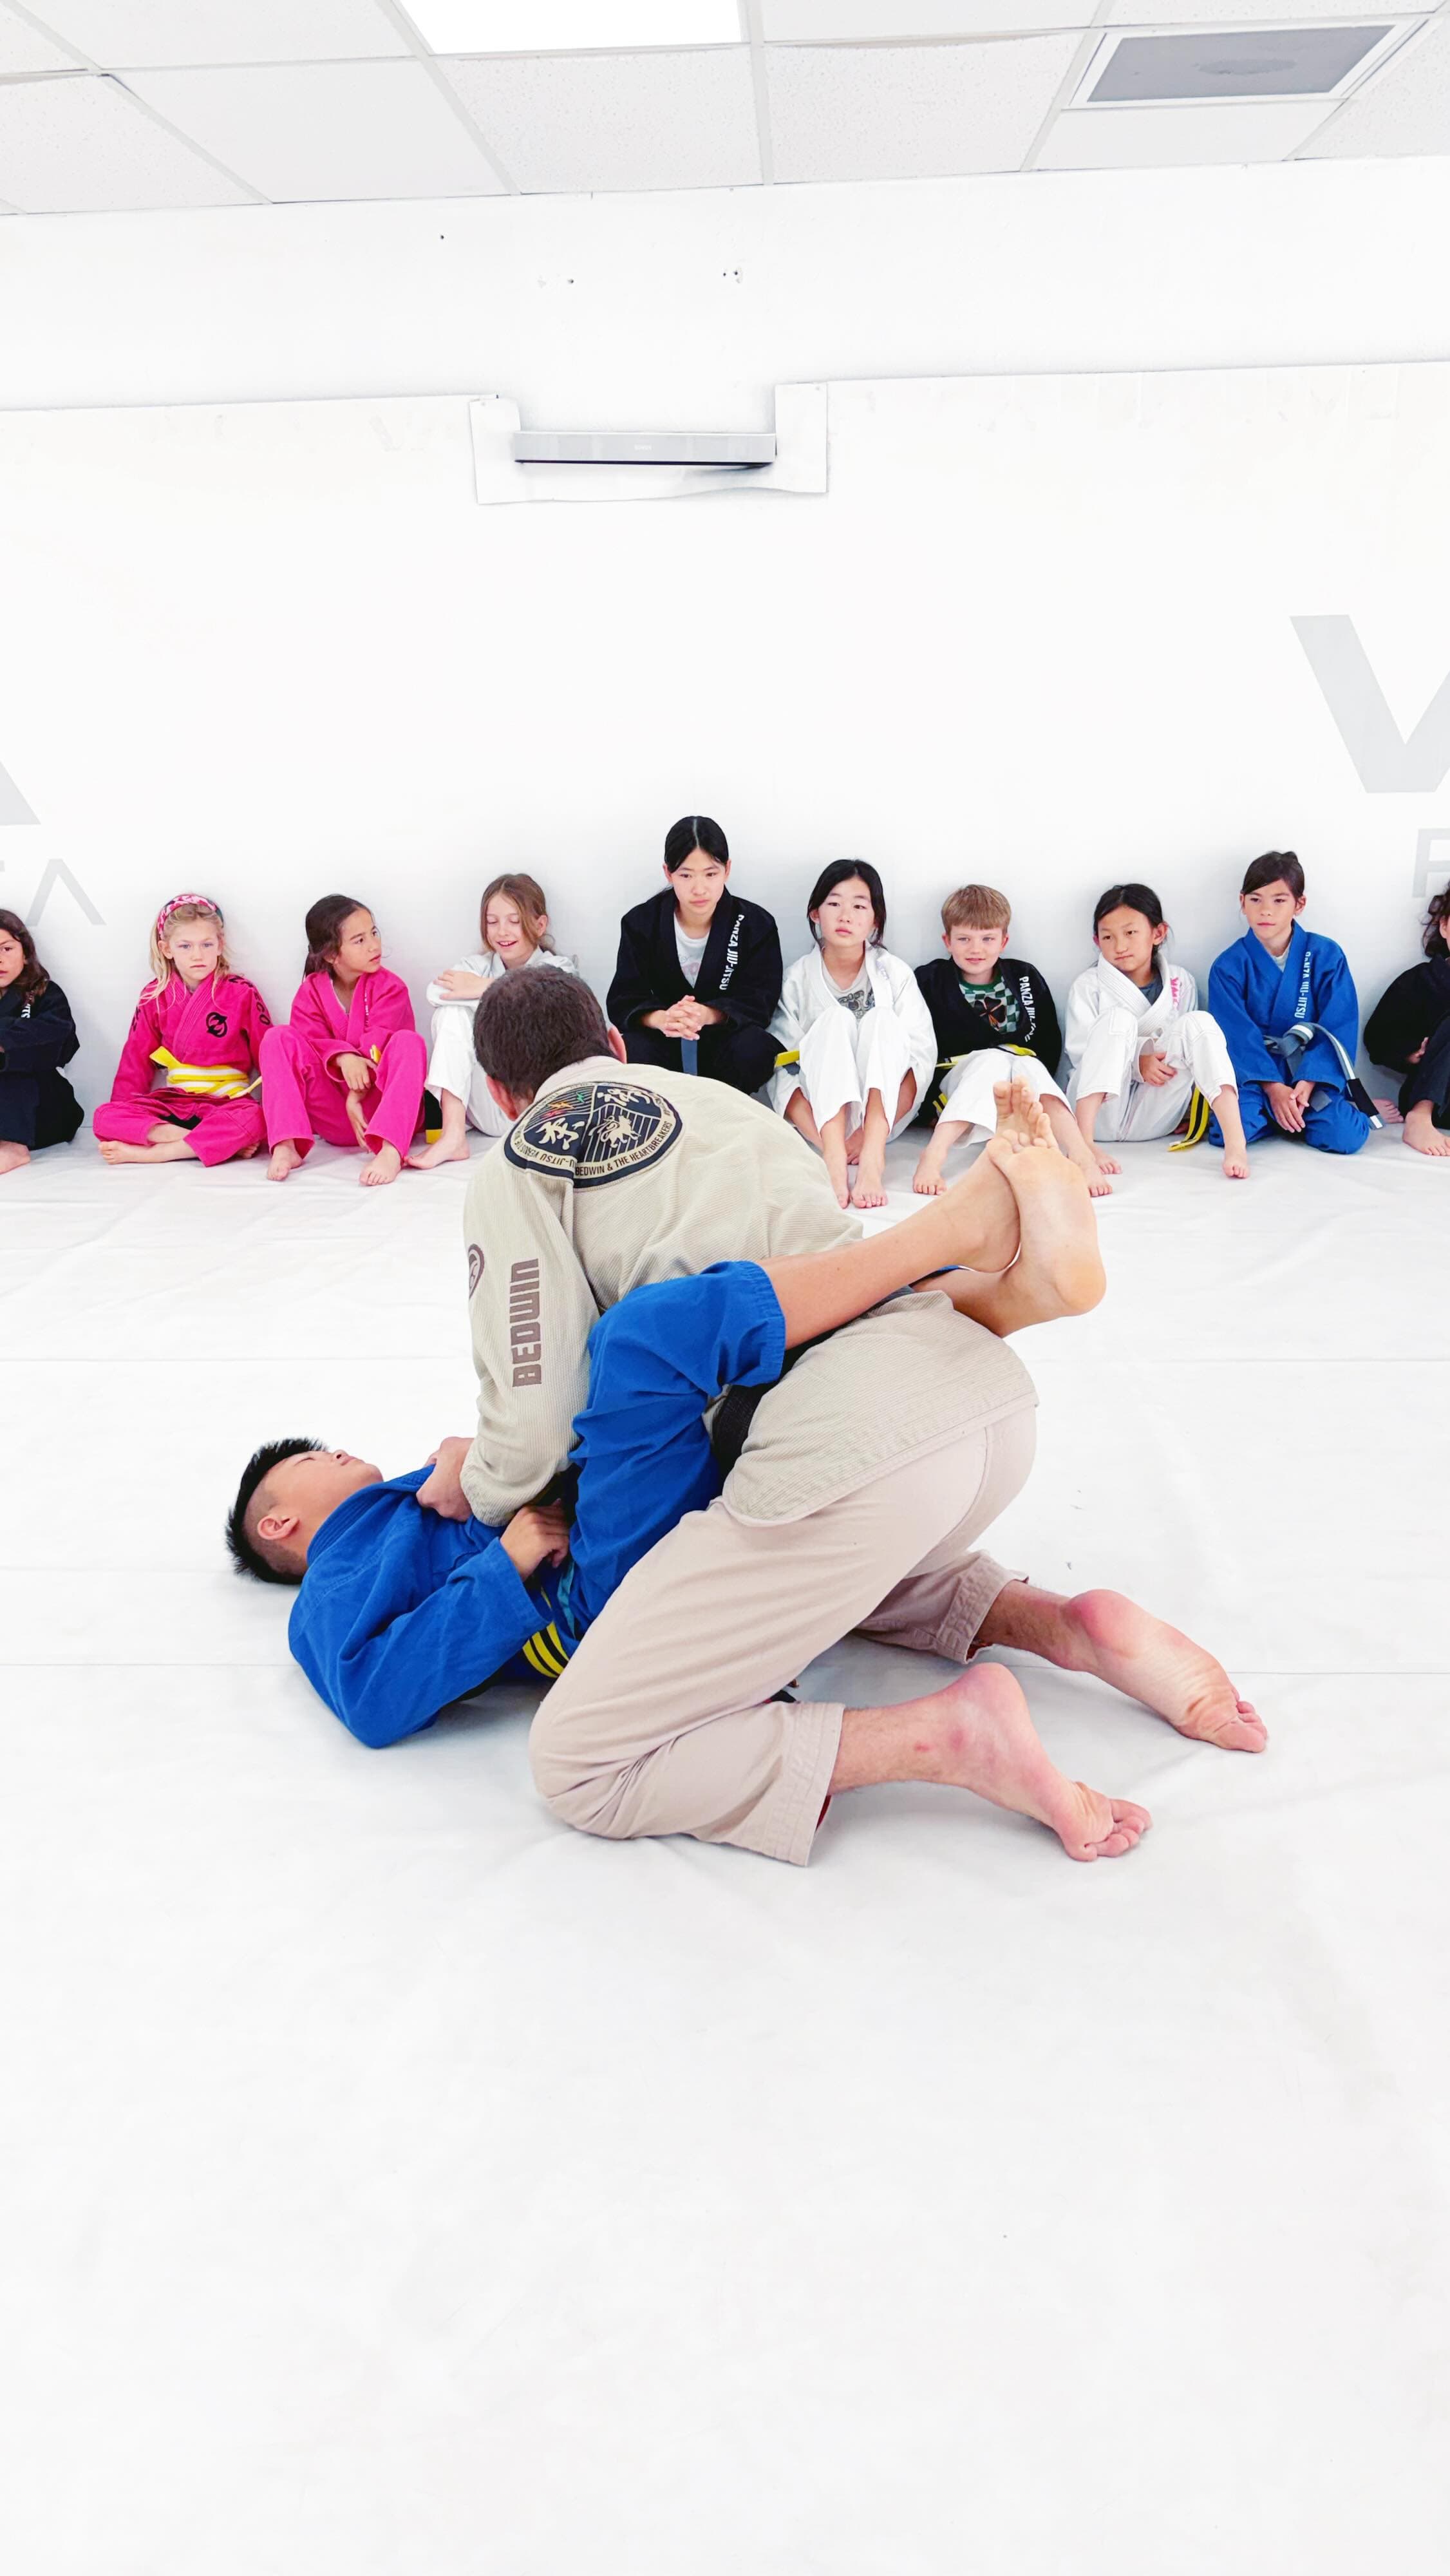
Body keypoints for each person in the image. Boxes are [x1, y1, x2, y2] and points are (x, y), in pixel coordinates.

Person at [419, 973, 1262, 1871]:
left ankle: (948, 1736)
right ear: (619, 1048)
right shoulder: (719, 1104)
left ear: (501, 1095)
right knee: (811, 1568)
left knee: (580, 1760)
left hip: (840, 1449)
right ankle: (1064, 1624)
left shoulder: (520, 1160)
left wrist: (473, 1478)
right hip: (970, 1397)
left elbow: (536, 1426)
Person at [226, 1177, 1048, 1748]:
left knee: (714, 1360)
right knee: (643, 1342)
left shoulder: (402, 1504)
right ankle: (931, 1250)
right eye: (313, 1458)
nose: (335, 1450)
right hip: (588, 1598)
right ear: (279, 1522)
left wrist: (483, 1461)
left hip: (609, 1531)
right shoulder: (327, 1594)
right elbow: (373, 1699)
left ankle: (976, 1292)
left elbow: (517, 1474)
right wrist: (505, 1566)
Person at [910, 882, 1107, 1198]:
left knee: (1025, 1062)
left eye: (988, 939)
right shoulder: (930, 980)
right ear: (947, 941)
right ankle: (933, 1157)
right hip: (958, 1079)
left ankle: (1081, 1153)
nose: (976, 949)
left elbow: (1047, 1038)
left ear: (1004, 941)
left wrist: (1023, 1068)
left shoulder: (1023, 976)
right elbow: (917, 1044)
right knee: (992, 1059)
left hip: (1019, 1078)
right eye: (964, 939)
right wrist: (929, 1109)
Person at [770, 859, 936, 1208]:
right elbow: (782, 1070)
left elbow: (919, 1060)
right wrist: (832, 1146)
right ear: (815, 913)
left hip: (881, 1120)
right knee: (833, 1020)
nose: (846, 915)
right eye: (834, 903)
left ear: (875, 920)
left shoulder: (895, 974)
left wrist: (867, 1140)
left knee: (882, 1020)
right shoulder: (797, 979)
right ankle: (833, 1165)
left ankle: (874, 1162)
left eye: (859, 906)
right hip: (822, 1119)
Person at [1066, 882, 1249, 1182]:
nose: (1120, 946)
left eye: (1130, 933)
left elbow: (1187, 1054)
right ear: (1096, 941)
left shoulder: (1182, 981)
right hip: (1098, 1116)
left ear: (1158, 933)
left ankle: (1235, 1142)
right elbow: (1081, 1055)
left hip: (1154, 1117)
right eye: (1108, 937)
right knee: (1117, 1020)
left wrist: (1189, 1106)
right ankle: (1083, 1147)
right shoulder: (1088, 986)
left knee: (1199, 1023)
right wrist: (1138, 1062)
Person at [1207, 852, 1374, 1157]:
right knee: (1228, 1131)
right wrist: (1273, 1088)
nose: (1266, 911)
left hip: (1308, 1073)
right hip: (1257, 1077)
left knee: (1346, 1137)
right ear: (1242, 901)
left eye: (1279, 901)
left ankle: (1299, 1114)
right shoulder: (1229, 965)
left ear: (1300, 904)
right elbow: (1235, 1035)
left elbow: (1340, 1023)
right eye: (1256, 900)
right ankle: (1280, 1115)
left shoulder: (1325, 954)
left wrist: (1308, 1082)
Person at [410, 872, 578, 1171]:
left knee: (534, 1007)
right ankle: (453, 1134)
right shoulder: (477, 965)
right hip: (487, 1106)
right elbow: (435, 992)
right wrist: (488, 987)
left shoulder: (557, 967)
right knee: (450, 1012)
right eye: (492, 921)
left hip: (539, 1109)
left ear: (540, 925)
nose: (503, 931)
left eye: (514, 921)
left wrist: (484, 988)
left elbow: (549, 998)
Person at [607, 815, 782, 1099]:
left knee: (756, 1048)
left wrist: (708, 1014)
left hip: (724, 1039)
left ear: (727, 870)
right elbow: (625, 997)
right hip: (664, 1038)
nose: (699, 889)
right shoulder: (641, 922)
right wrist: (663, 1019)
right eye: (686, 875)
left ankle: (726, 1115)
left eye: (711, 874)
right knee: (630, 1049)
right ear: (668, 873)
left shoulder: (755, 924)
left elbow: (760, 999)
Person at [91, 893, 270, 1169]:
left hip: (227, 1101)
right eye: (185, 946)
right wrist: (124, 1109)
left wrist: (282, 1115)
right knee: (105, 1116)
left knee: (256, 1119)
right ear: (167, 949)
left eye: (206, 944)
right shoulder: (154, 996)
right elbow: (135, 1062)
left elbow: (268, 1054)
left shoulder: (241, 992)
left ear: (220, 945)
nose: (197, 955)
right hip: (174, 1103)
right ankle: (198, 1142)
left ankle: (160, 1152)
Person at [261, 894, 426, 1188]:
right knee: (278, 1038)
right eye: (360, 940)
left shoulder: (391, 988)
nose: (375, 945)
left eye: (374, 933)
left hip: (380, 1111)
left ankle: (391, 1150)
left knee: (408, 1042)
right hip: (333, 1117)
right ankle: (286, 1145)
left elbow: (378, 1043)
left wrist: (356, 1095)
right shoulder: (310, 992)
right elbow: (310, 1042)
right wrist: (342, 1058)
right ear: (331, 955)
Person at [1364, 884, 1450, 1159]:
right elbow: (1377, 1037)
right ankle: (1420, 1116)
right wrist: (1411, 1053)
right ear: (1445, 927)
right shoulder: (1420, 981)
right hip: (1439, 1101)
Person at [0, 908, 82, 1179]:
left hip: (44, 1108)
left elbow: (60, 1042)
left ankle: (13, 1147)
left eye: (7, 948)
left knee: (14, 1069)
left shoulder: (45, 993)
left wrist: (6, 1046)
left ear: (25, 953)